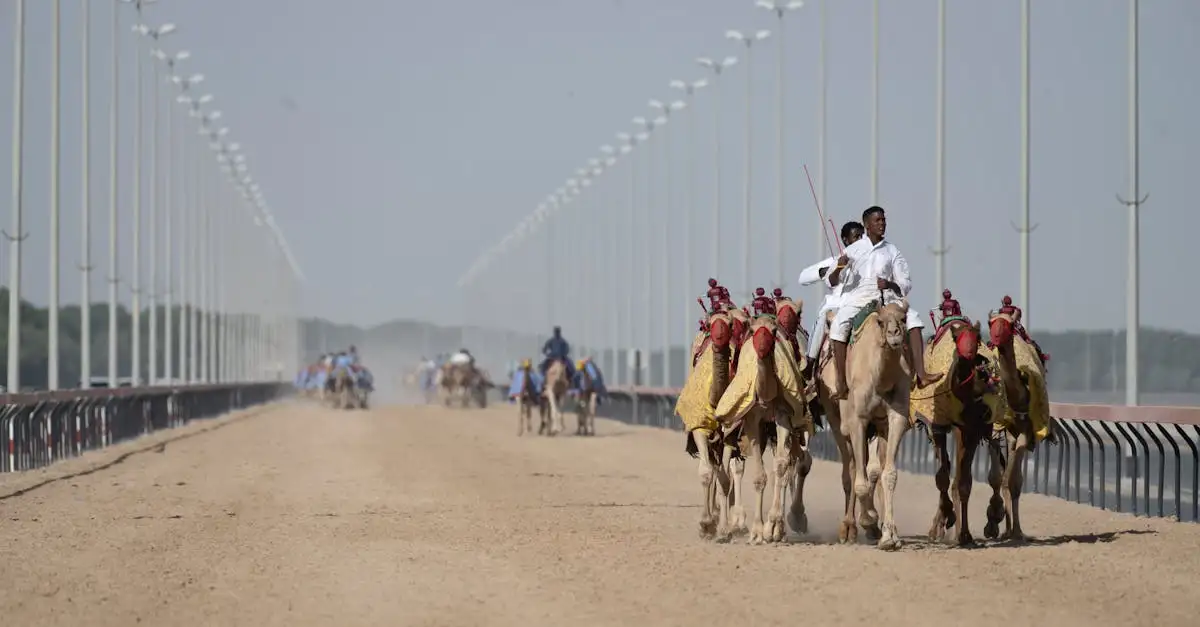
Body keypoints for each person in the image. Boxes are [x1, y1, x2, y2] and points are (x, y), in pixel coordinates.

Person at [826, 206, 943, 401]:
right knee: (838, 327)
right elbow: (832, 280)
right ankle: (841, 383)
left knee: (913, 319)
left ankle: (921, 374)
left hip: (887, 298)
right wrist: (839, 267)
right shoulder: (852, 250)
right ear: (867, 225)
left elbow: (905, 283)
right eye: (877, 221)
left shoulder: (892, 250)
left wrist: (889, 284)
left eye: (883, 220)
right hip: (859, 298)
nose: (882, 224)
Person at [797, 220, 864, 381]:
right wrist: (829, 270)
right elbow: (803, 278)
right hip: (836, 308)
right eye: (856, 237)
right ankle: (811, 362)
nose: (861, 240)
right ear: (846, 240)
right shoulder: (835, 261)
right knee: (824, 317)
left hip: (862, 306)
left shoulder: (871, 259)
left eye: (862, 236)